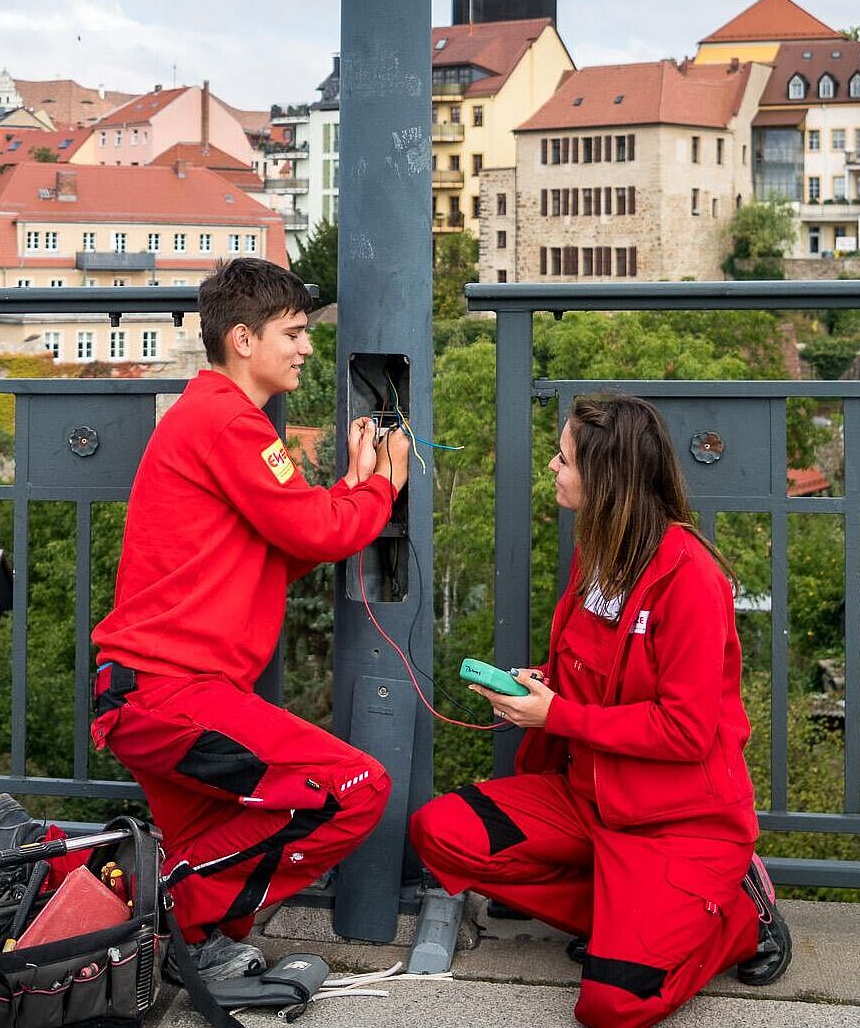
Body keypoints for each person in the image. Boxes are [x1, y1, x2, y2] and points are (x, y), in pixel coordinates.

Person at [409, 394, 792, 1028]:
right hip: (589, 799)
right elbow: (592, 668)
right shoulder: (600, 554)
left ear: (606, 477)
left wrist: (554, 715)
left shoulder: (690, 577)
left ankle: (739, 921)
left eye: (563, 458)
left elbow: (688, 731)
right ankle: (630, 920)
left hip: (673, 821)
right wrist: (541, 684)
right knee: (441, 833)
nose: (552, 467)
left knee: (612, 1006)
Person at [90, 257, 411, 981]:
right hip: (171, 693)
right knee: (352, 787)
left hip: (149, 689)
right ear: (243, 338)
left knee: (217, 839)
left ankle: (192, 946)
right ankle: (172, 913)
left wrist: (350, 493)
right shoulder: (230, 420)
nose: (305, 346)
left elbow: (278, 546)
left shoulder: (213, 415)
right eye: (293, 333)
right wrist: (383, 488)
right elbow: (316, 535)